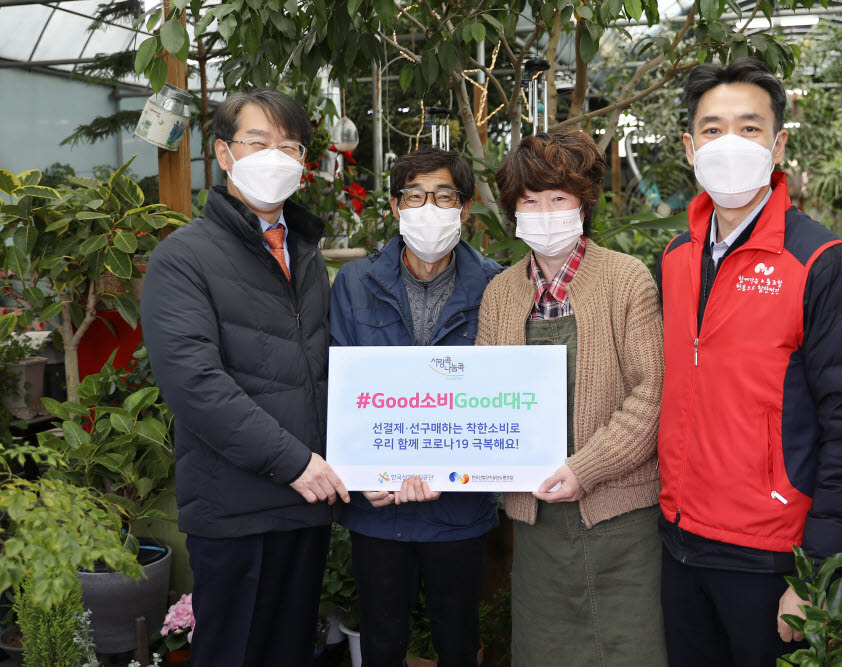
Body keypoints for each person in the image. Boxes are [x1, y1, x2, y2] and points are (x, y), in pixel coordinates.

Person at [655, 57, 842, 667]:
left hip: (771, 556)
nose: (728, 143)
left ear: (779, 142)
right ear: (688, 146)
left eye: (749, 127)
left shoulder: (822, 265)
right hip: (682, 542)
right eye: (712, 129)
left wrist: (815, 574)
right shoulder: (677, 258)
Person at [140, 89, 349, 667]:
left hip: (306, 504)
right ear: (224, 155)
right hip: (237, 508)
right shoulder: (183, 257)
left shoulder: (305, 252)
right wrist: (296, 462)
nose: (275, 156)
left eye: (289, 145)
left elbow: (324, 368)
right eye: (258, 142)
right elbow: (194, 383)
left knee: (288, 651)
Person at [476, 131, 667, 665]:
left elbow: (652, 393)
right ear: (514, 210)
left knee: (631, 650)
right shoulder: (501, 294)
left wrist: (587, 467)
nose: (544, 212)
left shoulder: (627, 280)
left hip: (620, 519)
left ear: (583, 201)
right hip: (535, 522)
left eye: (557, 197)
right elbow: (484, 400)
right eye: (529, 200)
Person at [329, 146, 501, 667]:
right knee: (382, 642)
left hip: (459, 508)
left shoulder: (496, 284)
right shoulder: (356, 282)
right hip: (379, 510)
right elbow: (339, 385)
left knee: (457, 637)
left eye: (444, 195)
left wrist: (471, 467)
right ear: (395, 205)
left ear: (465, 209)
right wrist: (360, 474)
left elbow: (503, 397)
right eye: (415, 195)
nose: (429, 207)